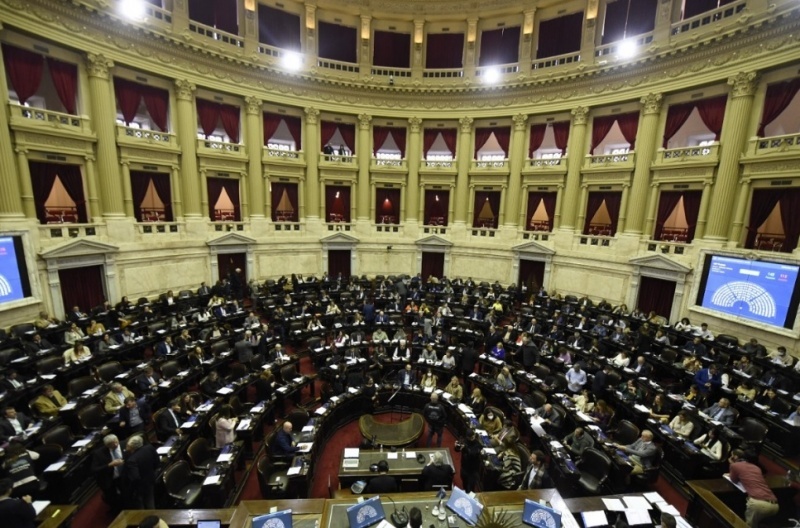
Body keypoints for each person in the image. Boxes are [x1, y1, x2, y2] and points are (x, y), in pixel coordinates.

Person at [726, 449, 779, 527]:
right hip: (775, 505)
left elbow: (734, 479)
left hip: (758, 504)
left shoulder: (735, 465)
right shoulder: (757, 468)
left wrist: (732, 465)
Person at [124, 435, 159, 509]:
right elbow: (157, 463)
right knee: (150, 500)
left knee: (140, 503)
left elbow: (135, 478)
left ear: (132, 447)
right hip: (151, 478)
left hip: (140, 486)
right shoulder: (149, 447)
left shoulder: (132, 460)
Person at [91, 434, 125, 511]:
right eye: (113, 444)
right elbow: (94, 469)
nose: (116, 445)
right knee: (112, 499)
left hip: (123, 476)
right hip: (110, 479)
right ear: (107, 445)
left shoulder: (124, 444)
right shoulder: (99, 453)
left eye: (116, 442)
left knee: (126, 494)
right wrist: (109, 465)